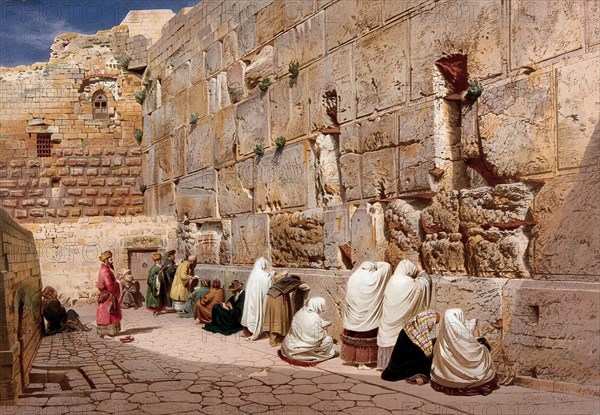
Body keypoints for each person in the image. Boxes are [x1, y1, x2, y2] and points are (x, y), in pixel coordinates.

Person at [377, 259, 432, 369]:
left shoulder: (392, 280)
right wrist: (421, 271)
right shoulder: (408, 282)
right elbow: (425, 283)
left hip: (388, 321)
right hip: (401, 322)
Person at [430, 308, 498, 396]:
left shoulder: (440, 341)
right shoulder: (465, 336)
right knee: (484, 351)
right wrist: (478, 338)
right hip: (474, 378)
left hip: (444, 381)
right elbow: (478, 351)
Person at [341, 261, 392, 369]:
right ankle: (362, 362)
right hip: (367, 317)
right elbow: (387, 267)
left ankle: (356, 360)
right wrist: (376, 264)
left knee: (354, 336)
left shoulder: (353, 276)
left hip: (353, 315)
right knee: (365, 338)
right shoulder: (373, 277)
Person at [381, 310, 440, 383]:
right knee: (428, 352)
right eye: (433, 324)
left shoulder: (411, 327)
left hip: (393, 370)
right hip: (400, 371)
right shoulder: (416, 337)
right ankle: (418, 375)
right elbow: (425, 350)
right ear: (427, 321)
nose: (433, 326)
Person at [279, 297, 336, 366]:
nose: (323, 309)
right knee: (328, 340)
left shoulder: (300, 312)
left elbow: (307, 324)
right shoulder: (314, 317)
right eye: (322, 306)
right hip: (302, 348)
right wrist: (325, 333)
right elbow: (316, 337)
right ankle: (314, 354)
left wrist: (323, 324)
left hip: (289, 345)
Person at [262, 273, 308, 347]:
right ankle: (274, 340)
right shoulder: (294, 281)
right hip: (278, 298)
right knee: (278, 317)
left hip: (272, 296)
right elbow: (306, 287)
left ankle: (274, 338)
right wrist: (301, 283)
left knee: (273, 316)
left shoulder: (284, 280)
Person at [241, 257, 273, 340]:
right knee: (257, 314)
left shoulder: (253, 274)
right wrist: (272, 274)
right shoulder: (262, 274)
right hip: (257, 299)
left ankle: (248, 331)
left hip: (252, 300)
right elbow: (268, 279)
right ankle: (256, 332)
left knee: (251, 313)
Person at [96, 251, 122, 338]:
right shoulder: (106, 271)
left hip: (104, 294)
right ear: (106, 260)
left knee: (104, 314)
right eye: (110, 259)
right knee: (109, 313)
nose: (112, 261)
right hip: (107, 296)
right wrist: (117, 281)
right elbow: (110, 286)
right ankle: (109, 332)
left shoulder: (103, 270)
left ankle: (103, 332)